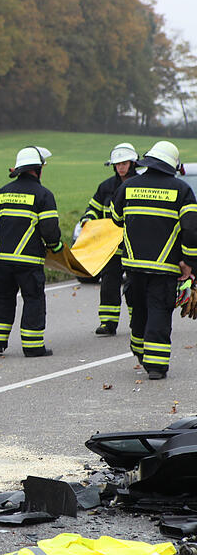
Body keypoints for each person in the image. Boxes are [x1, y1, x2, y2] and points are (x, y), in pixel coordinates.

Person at [110, 140, 197, 380]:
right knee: (159, 310)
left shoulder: (129, 187)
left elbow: (115, 217)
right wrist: (190, 262)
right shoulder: (181, 190)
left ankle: (139, 350)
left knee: (138, 308)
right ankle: (156, 365)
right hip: (166, 267)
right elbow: (191, 229)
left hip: (133, 265)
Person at [0, 146, 64, 357]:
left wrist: (1, 242)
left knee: (2, 297)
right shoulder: (44, 195)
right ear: (38, 169)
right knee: (33, 298)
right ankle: (33, 346)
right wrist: (55, 247)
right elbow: (49, 229)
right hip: (28, 261)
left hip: (1, 259)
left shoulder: (2, 192)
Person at [79, 143, 139, 335]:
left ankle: (137, 321)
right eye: (118, 164)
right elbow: (93, 208)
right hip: (111, 247)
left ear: (132, 163)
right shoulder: (106, 187)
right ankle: (108, 323)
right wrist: (87, 219)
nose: (121, 167)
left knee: (134, 286)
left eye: (124, 163)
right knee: (108, 284)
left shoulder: (140, 185)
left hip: (134, 247)